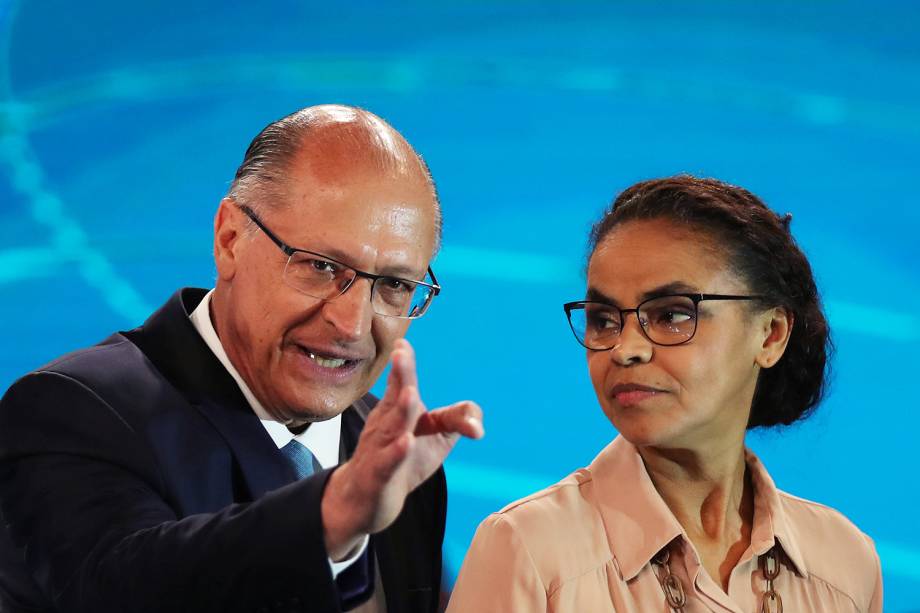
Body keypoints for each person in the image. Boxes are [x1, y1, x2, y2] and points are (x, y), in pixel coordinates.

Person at [0, 104, 484, 613]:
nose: (353, 324)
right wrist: (334, 514)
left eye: (393, 286)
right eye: (320, 266)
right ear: (230, 239)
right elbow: (122, 586)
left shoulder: (392, 459)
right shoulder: (74, 409)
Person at [447, 175, 881, 612]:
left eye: (671, 315)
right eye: (603, 318)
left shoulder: (845, 564)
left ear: (770, 335)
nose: (625, 348)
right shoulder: (528, 552)